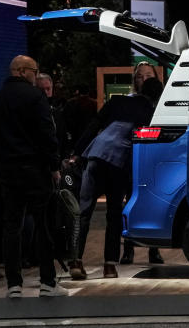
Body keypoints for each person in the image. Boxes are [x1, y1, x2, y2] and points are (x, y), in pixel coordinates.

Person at [0, 55, 68, 297]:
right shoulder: (35, 97)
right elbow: (47, 134)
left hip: (7, 171)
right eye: (34, 71)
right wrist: (53, 166)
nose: (36, 75)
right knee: (43, 225)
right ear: (21, 71)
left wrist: (1, 160)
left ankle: (13, 284)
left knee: (11, 227)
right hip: (36, 170)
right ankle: (48, 282)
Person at [68, 74, 159, 279]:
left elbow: (94, 125)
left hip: (96, 155)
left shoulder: (117, 101)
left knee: (83, 211)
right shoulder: (151, 112)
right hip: (119, 163)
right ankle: (109, 266)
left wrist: (77, 152)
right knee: (114, 214)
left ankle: (75, 261)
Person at [120, 62, 165, 266]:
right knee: (130, 200)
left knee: (154, 201)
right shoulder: (128, 102)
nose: (144, 79)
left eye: (148, 75)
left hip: (154, 158)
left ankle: (153, 250)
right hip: (132, 158)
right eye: (140, 76)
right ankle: (128, 249)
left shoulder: (162, 103)